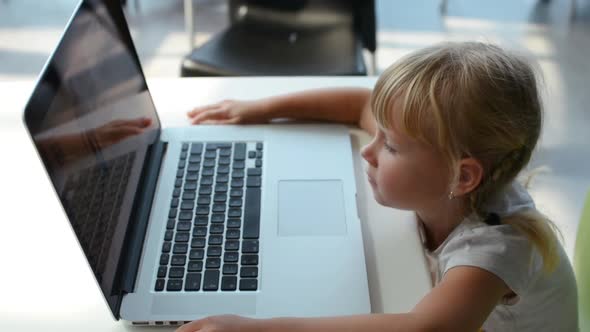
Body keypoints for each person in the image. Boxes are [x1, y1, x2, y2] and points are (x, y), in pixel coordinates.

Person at [179, 42, 578, 332]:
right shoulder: (449, 176)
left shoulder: (496, 251)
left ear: (462, 176)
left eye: (389, 145)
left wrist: (253, 330)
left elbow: (422, 328)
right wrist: (262, 109)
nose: (368, 152)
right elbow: (359, 106)